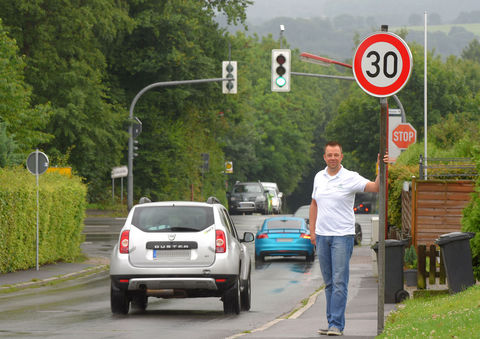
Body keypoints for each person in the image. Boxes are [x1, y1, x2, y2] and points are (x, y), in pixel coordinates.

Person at [309, 141, 386, 336]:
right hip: (322, 235)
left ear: (341, 157)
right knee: (328, 283)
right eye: (329, 155)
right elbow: (314, 204)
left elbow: (376, 187)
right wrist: (312, 231)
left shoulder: (350, 177)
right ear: (324, 157)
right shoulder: (319, 177)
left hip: (342, 236)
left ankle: (336, 325)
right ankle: (331, 322)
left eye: (336, 155)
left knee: (339, 282)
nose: (333, 158)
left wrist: (381, 167)